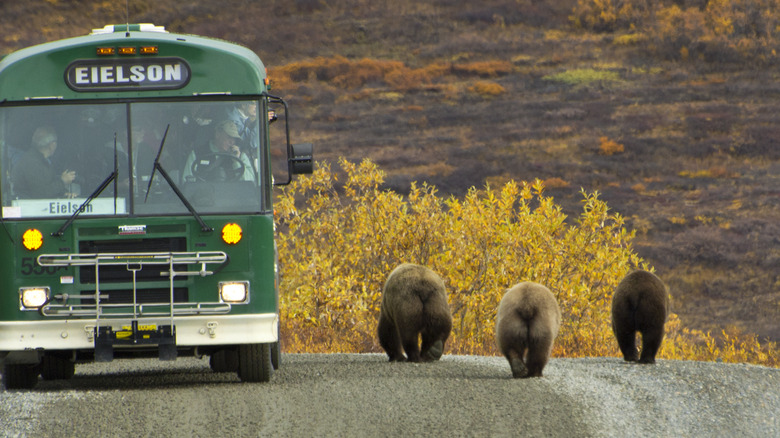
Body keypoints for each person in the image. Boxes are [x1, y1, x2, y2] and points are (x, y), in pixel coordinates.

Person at [12, 126, 77, 199]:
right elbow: (41, 194)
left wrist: (65, 193)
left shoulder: (41, 162)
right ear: (52, 145)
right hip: (30, 209)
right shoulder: (32, 163)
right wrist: (62, 181)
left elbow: (49, 186)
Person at [182, 120, 255, 182]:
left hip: (232, 196)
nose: (232, 142)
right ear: (217, 134)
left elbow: (249, 183)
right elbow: (186, 181)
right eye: (229, 137)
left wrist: (236, 161)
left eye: (234, 139)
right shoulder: (197, 154)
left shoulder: (241, 156)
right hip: (204, 196)